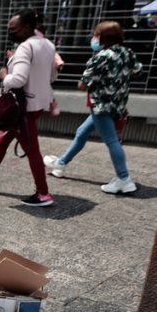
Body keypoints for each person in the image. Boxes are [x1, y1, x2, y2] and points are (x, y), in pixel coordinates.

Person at [0, 9, 58, 207]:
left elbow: (18, 79)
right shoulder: (48, 45)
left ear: (25, 27)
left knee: (32, 150)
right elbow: (52, 76)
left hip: (22, 108)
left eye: (13, 28)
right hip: (37, 104)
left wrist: (3, 75)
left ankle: (43, 194)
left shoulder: (25, 47)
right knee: (2, 140)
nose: (10, 31)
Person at [44, 21, 142, 194]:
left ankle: (124, 179)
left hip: (101, 106)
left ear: (103, 38)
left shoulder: (101, 56)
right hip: (117, 104)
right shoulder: (128, 53)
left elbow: (83, 84)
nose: (93, 38)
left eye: (95, 35)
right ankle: (62, 163)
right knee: (82, 131)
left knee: (112, 141)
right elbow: (138, 71)